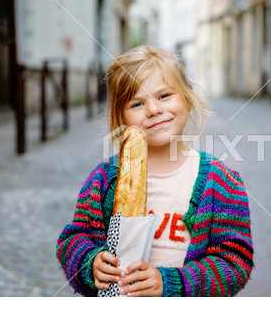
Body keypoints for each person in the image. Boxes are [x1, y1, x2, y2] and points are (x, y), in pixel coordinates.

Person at [56, 45, 253, 297]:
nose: (153, 110)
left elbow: (235, 262)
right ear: (121, 117)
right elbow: (73, 239)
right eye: (137, 103)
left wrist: (171, 283)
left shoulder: (221, 182)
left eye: (164, 96)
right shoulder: (103, 179)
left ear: (187, 98)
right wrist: (90, 263)